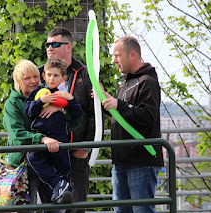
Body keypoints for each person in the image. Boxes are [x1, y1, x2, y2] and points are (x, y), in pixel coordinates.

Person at [101, 36, 164, 213]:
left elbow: (147, 117)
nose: (113, 60)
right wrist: (104, 100)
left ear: (132, 54)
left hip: (140, 162)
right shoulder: (126, 84)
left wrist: (119, 105)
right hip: (121, 161)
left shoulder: (147, 82)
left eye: (117, 55)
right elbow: (123, 114)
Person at [3, 59, 75, 212]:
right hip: (24, 166)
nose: (33, 81)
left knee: (55, 208)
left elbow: (75, 122)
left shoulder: (49, 94)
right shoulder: (12, 103)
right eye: (27, 78)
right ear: (18, 81)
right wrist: (41, 139)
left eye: (35, 76)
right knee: (26, 209)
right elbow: (17, 133)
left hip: (50, 161)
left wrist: (61, 110)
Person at [39, 28, 95, 211]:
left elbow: (95, 113)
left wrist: (86, 147)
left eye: (55, 44)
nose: (50, 48)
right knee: (51, 207)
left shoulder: (85, 74)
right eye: (48, 44)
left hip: (75, 152)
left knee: (76, 206)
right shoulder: (40, 74)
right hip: (50, 152)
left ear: (68, 47)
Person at [25, 58, 82, 204]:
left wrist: (70, 100)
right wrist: (41, 101)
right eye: (49, 75)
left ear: (63, 78)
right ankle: (58, 184)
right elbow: (29, 111)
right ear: (43, 76)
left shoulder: (63, 95)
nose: (51, 78)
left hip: (60, 137)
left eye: (56, 75)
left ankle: (65, 189)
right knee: (34, 159)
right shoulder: (38, 93)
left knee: (63, 165)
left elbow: (77, 115)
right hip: (43, 137)